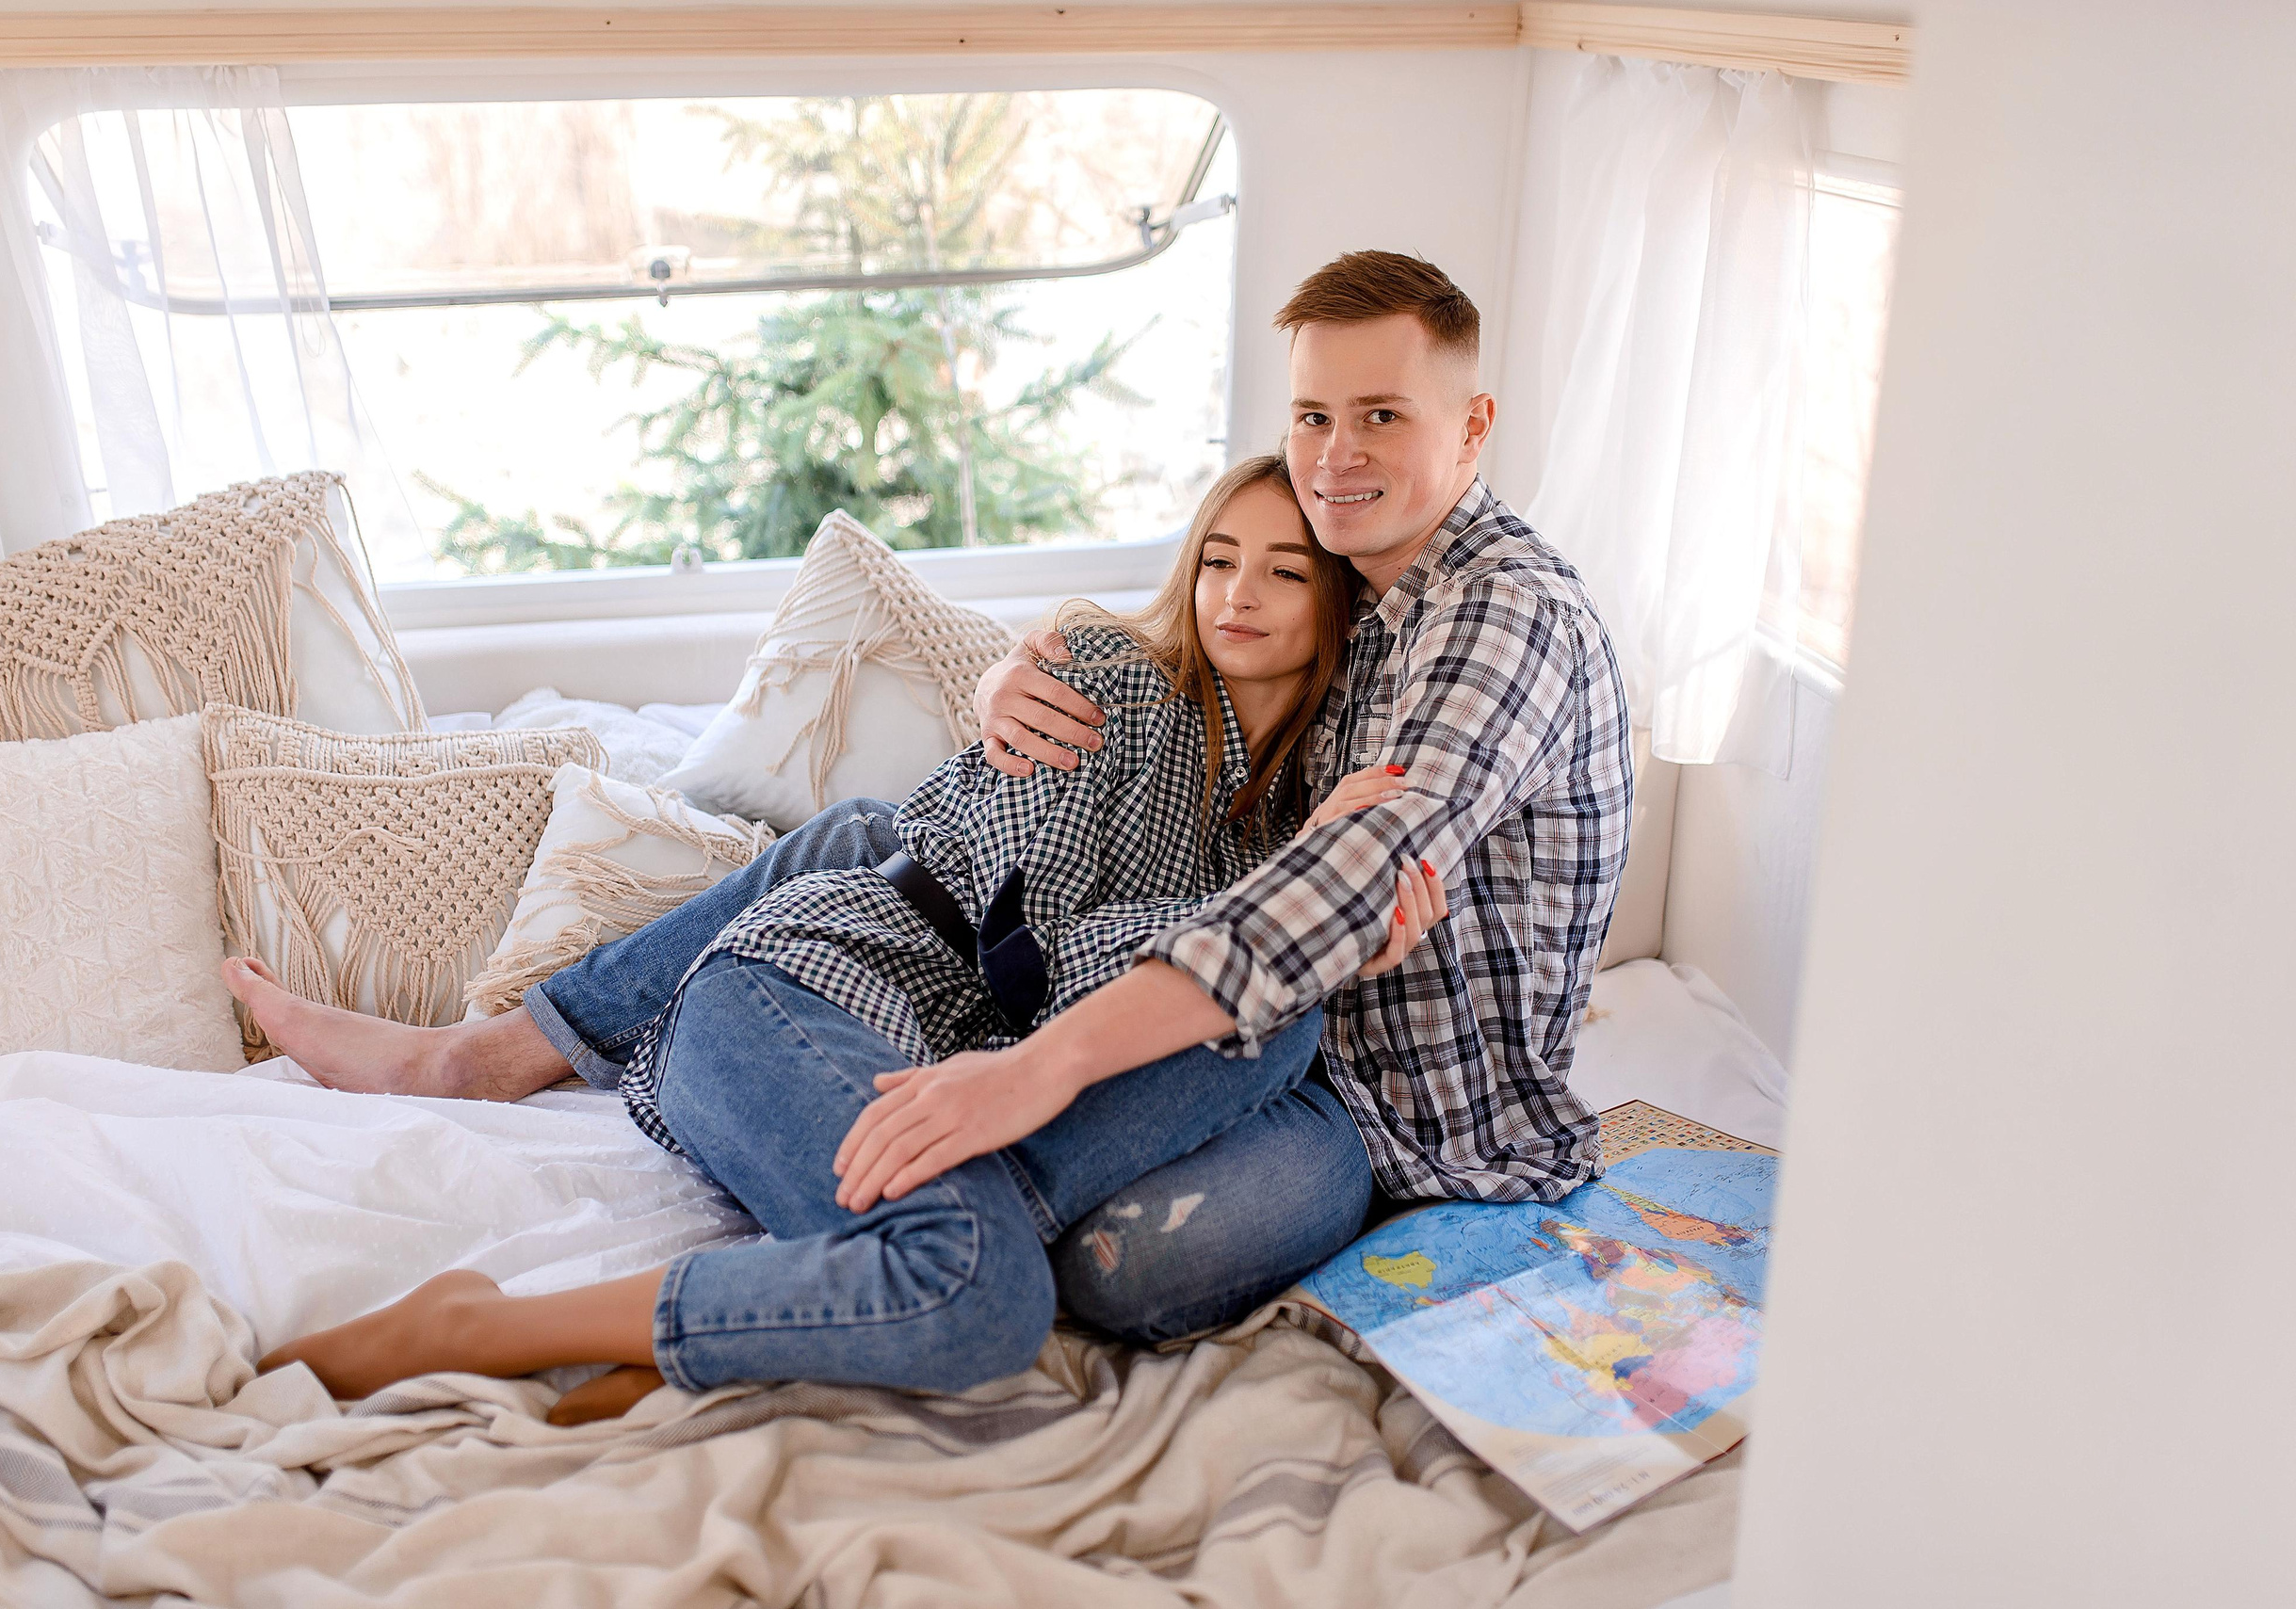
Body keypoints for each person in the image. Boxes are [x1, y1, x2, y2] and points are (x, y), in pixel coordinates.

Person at [241, 455, 1446, 1418]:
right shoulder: (1105, 681)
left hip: (915, 1060)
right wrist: (1281, 918)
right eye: (1218, 558)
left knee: (1229, 1059)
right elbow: (1035, 951)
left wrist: (1311, 920)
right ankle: (476, 1323)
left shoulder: (1308, 814)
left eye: (1284, 572)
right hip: (804, 987)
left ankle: (764, 1324)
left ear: (1336, 603)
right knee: (982, 1286)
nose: (1236, 593)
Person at [955, 250, 1635, 1224]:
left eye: (1381, 415)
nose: (1334, 454)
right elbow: (1186, 665)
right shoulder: (1346, 586)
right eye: (1314, 416)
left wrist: (1045, 1063)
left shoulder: (1504, 612)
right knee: (866, 850)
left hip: (1415, 1124)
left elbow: (1353, 874)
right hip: (1284, 1042)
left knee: (1135, 1265)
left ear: (1473, 425)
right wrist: (1002, 679)